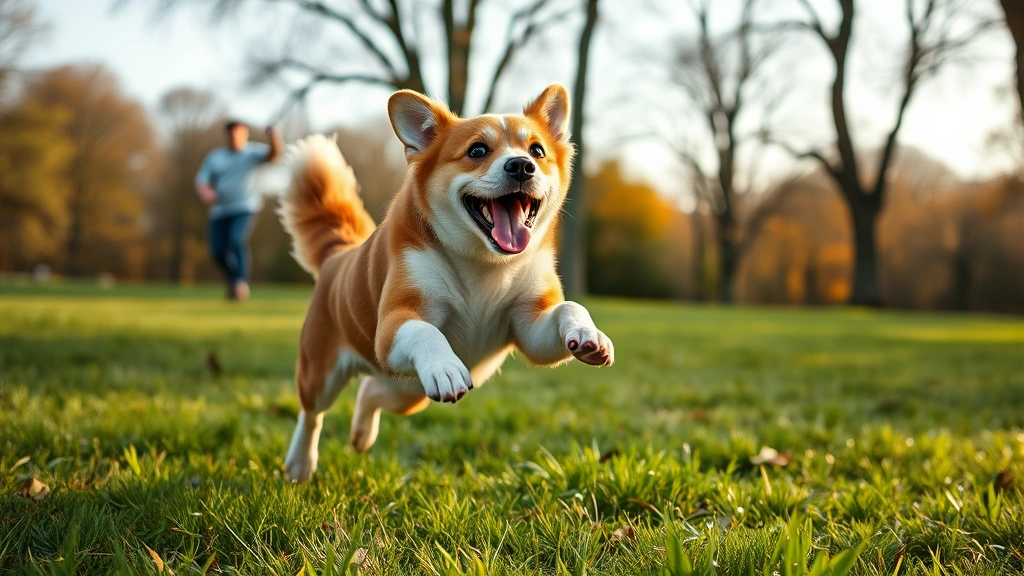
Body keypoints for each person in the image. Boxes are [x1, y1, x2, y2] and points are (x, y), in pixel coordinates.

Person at [195, 121, 282, 300]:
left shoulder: (253, 152)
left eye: (237, 135)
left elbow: (274, 155)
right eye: (231, 135)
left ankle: (240, 282)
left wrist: (274, 136)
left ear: (245, 135)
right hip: (219, 210)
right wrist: (207, 193)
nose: (234, 138)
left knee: (236, 240)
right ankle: (233, 281)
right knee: (217, 252)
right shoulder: (216, 157)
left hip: (245, 207)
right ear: (226, 136)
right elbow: (202, 179)